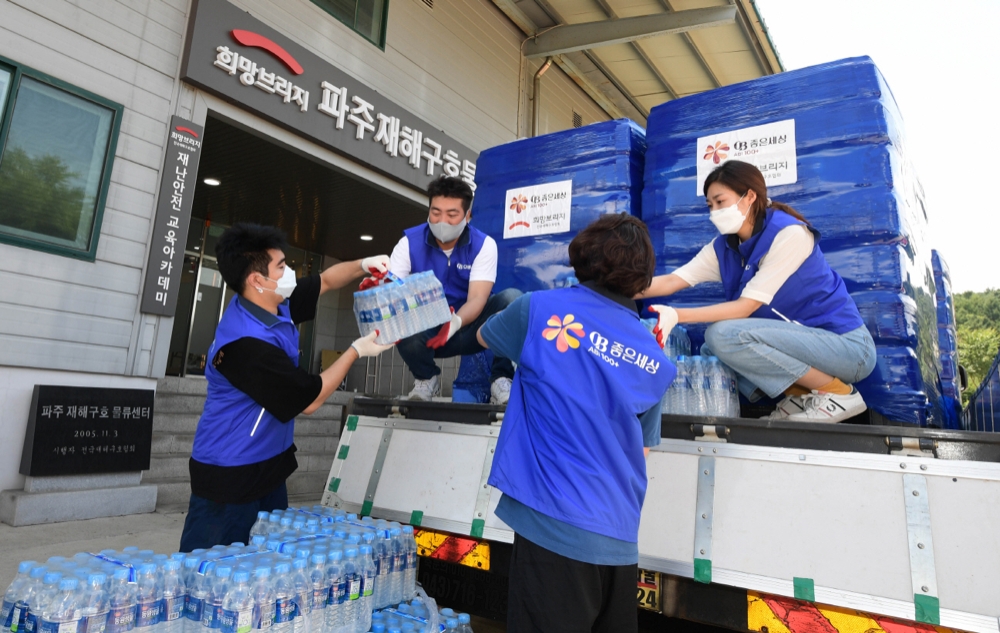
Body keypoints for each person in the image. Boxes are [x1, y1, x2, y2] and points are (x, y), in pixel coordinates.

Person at [477, 214, 675, 633]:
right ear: (642, 277)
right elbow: (641, 449)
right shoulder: (656, 359)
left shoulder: (540, 309)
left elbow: (484, 336)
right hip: (619, 538)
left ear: (582, 258)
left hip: (554, 527)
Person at [178, 223, 394, 551]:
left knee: (267, 568)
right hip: (231, 476)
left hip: (268, 466)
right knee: (217, 574)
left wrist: (364, 264)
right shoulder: (244, 344)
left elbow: (327, 280)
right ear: (256, 280)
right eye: (281, 266)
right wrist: (356, 351)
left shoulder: (276, 303)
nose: (290, 271)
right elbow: (310, 398)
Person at [643, 160, 877, 423]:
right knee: (713, 351)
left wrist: (676, 314)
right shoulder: (724, 247)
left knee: (721, 335)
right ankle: (801, 398)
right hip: (806, 346)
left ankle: (839, 394)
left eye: (721, 202)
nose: (714, 212)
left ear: (750, 196)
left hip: (848, 349)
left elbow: (745, 308)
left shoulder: (789, 234)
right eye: (710, 206)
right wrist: (617, 288)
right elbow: (674, 281)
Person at [389, 175, 520, 403]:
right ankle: (426, 378)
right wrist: (380, 289)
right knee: (398, 319)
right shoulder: (408, 243)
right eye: (436, 212)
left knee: (512, 300)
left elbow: (478, 299)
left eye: (452, 215)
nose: (442, 221)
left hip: (473, 329)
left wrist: (454, 323)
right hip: (429, 330)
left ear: (467, 216)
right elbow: (391, 291)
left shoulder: (484, 245)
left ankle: (501, 379)